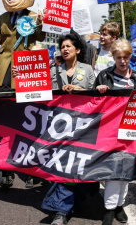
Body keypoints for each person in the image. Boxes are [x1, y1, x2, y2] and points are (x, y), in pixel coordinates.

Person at [43, 31, 95, 225]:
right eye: (62, 46)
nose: (64, 49)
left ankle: (77, 198)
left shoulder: (88, 70)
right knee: (63, 165)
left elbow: (96, 96)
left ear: (78, 50)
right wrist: (20, 77)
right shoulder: (53, 70)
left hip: (82, 125)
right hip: (59, 126)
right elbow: (41, 92)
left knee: (79, 165)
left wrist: (80, 90)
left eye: (68, 46)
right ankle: (61, 211)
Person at [94, 39, 136, 225]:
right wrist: (98, 90)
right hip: (109, 132)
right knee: (111, 170)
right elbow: (93, 104)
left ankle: (120, 205)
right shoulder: (103, 76)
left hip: (132, 131)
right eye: (119, 58)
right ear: (113, 57)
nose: (123, 61)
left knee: (127, 170)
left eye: (126, 57)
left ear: (131, 56)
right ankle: (109, 209)